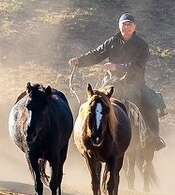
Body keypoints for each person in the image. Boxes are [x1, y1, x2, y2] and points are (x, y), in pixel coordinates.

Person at [69, 13, 165, 148]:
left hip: (135, 83)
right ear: (119, 26)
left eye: (129, 24)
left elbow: (138, 65)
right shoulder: (112, 41)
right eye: (124, 24)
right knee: (93, 105)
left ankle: (154, 139)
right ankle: (82, 137)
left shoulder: (142, 45)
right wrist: (80, 61)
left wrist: (117, 66)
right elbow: (97, 53)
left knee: (149, 106)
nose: (126, 27)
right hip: (111, 83)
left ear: (134, 26)